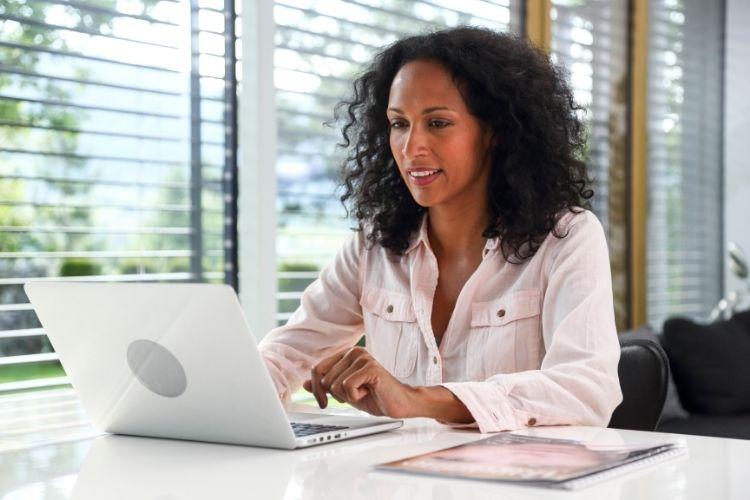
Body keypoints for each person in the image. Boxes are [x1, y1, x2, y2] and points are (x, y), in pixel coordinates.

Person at [259, 27, 622, 433]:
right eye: (399, 124)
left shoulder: (567, 237)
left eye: (437, 123)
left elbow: (587, 389)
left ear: (496, 131)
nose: (411, 147)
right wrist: (239, 397)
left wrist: (416, 399)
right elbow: (286, 352)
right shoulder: (374, 244)